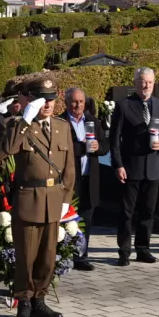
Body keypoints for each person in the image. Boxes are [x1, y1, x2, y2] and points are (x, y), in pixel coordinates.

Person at [6, 78, 76, 317]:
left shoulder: (62, 126)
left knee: (48, 256)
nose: (47, 104)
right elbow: (7, 149)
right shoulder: (19, 125)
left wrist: (66, 198)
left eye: (51, 99)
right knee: (26, 256)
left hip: (54, 198)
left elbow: (69, 167)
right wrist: (25, 118)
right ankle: (23, 302)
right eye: (42, 99)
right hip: (28, 198)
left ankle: (39, 301)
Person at [110, 67, 159, 266]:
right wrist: (118, 164)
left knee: (148, 212)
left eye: (150, 83)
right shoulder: (124, 105)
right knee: (127, 212)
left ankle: (143, 249)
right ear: (136, 83)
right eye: (143, 82)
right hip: (130, 168)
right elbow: (114, 140)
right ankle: (124, 251)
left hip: (152, 168)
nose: (146, 86)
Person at [60, 87, 109, 271]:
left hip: (89, 177)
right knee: (68, 217)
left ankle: (82, 255)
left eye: (81, 101)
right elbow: (65, 148)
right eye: (74, 101)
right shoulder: (61, 122)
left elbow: (105, 145)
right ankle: (65, 254)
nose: (78, 105)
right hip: (70, 179)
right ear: (66, 103)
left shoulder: (93, 121)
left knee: (87, 218)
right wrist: (83, 147)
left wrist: (97, 146)